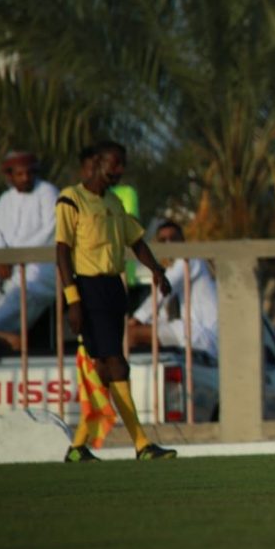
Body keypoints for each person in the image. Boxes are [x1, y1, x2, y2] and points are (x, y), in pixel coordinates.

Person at [56, 141, 178, 462]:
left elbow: (135, 240)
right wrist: (73, 299)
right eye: (115, 163)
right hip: (88, 287)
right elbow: (62, 252)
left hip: (113, 288)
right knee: (116, 363)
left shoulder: (113, 201)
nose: (119, 170)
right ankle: (141, 444)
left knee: (103, 369)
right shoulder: (71, 198)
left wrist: (157, 270)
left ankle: (78, 446)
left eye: (122, 164)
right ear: (97, 163)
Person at [127, 220, 219, 361]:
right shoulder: (175, 268)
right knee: (135, 335)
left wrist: (136, 319)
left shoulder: (190, 260)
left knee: (131, 334)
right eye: (163, 240)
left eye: (173, 239)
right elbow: (162, 314)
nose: (169, 244)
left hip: (202, 334)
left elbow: (161, 291)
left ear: (183, 241)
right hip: (190, 332)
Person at [0, 150, 59, 352]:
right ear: (9, 176)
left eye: (29, 173)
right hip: (7, 264)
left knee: (25, 288)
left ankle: (2, 333)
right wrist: (2, 257)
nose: (25, 178)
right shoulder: (5, 199)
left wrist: (16, 258)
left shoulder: (48, 192)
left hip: (40, 265)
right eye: (19, 174)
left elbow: (51, 231)